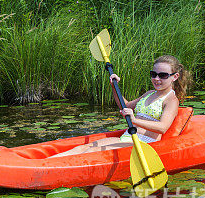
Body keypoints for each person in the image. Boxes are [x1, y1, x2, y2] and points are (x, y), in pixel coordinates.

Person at [50, 55, 192, 157]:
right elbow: (125, 105)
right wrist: (113, 86)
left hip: (143, 144)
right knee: (86, 147)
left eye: (163, 75)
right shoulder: (149, 93)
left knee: (90, 152)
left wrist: (134, 120)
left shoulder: (171, 100)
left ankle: (54, 169)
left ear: (175, 76)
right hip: (127, 137)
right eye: (153, 74)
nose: (156, 79)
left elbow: (162, 128)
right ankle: (49, 163)